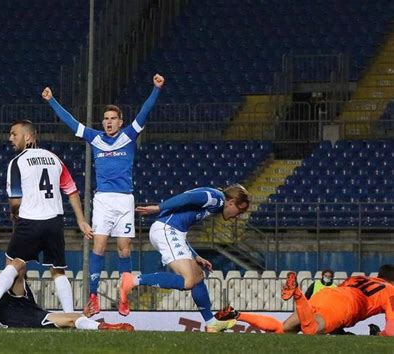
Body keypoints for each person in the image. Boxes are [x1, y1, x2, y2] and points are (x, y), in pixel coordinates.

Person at [42, 74, 165, 313]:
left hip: (125, 200)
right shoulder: (95, 138)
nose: (108, 122)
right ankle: (93, 297)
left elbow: (145, 110)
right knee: (98, 247)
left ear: (121, 122)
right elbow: (71, 122)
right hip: (103, 200)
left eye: (113, 119)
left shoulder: (129, 135)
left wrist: (156, 89)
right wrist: (52, 101)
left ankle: (124, 297)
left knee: (124, 249)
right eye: (105, 119)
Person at [0, 120, 93, 321]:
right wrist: (81, 220)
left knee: (14, 263)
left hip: (29, 220)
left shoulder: (17, 162)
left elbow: (14, 201)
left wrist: (14, 213)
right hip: (54, 221)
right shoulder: (55, 159)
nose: (10, 138)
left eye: (14, 134)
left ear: (28, 137)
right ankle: (72, 317)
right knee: (58, 271)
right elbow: (72, 190)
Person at [119, 184, 250, 332]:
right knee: (188, 281)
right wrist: (158, 207)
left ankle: (212, 322)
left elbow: (181, 228)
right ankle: (132, 280)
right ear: (231, 202)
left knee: (198, 277)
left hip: (175, 232)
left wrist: (195, 256)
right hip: (166, 229)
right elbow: (188, 197)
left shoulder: (217, 203)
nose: (237, 216)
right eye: (239, 211)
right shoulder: (216, 198)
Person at [215, 264, 394, 336]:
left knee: (282, 331)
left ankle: (236, 314)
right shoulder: (390, 290)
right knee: (311, 331)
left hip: (326, 295)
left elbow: (343, 289)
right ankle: (298, 293)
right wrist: (379, 336)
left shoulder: (360, 277)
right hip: (344, 307)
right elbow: (392, 331)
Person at [0, 276, 133, 331]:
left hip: (31, 317)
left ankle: (101, 326)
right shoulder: (12, 291)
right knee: (72, 319)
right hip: (31, 318)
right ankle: (105, 327)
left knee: (73, 319)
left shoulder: (12, 295)